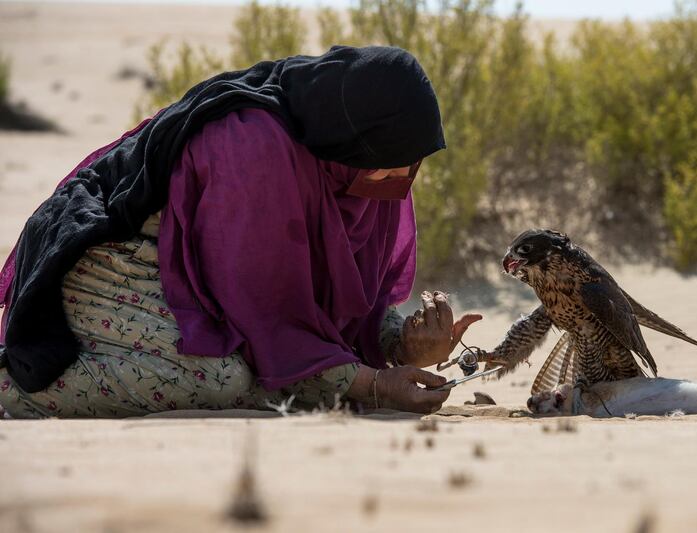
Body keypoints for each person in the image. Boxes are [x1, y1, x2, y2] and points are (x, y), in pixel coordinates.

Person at [0, 45, 482, 418]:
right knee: (221, 378)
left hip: (197, 284)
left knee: (266, 375)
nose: (404, 175)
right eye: (392, 160)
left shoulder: (368, 167)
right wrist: (371, 385)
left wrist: (402, 342)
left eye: (414, 161)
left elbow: (331, 303)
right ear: (353, 139)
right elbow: (267, 311)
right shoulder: (252, 150)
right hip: (108, 265)